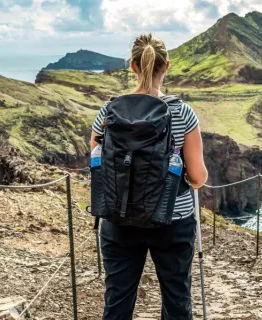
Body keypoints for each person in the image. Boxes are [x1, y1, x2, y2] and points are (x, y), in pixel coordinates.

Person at [89, 33, 208, 320]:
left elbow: (96, 161)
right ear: (165, 66)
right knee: (177, 299)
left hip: (119, 218)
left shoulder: (108, 111)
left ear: (132, 66)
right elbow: (198, 176)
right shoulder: (182, 113)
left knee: (117, 301)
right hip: (172, 219)